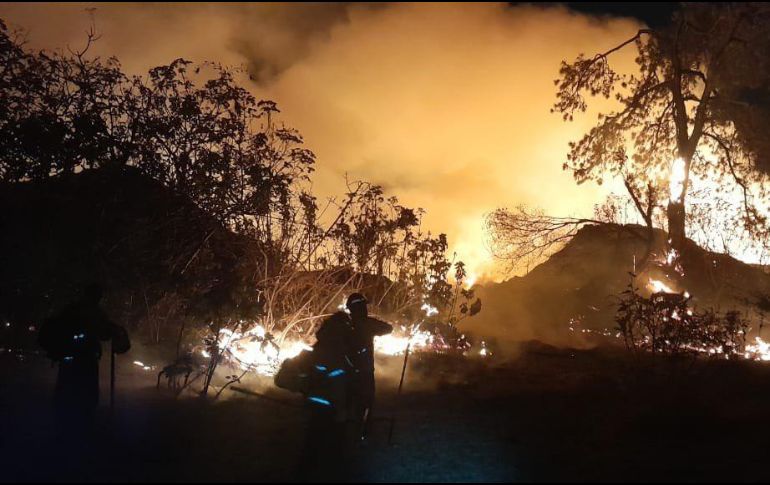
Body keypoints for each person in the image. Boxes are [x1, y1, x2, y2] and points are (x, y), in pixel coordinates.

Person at [38, 283, 130, 437]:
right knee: (85, 396)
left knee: (67, 394)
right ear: (95, 296)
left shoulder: (72, 309)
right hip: (85, 360)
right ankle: (79, 431)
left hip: (69, 360)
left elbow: (103, 332)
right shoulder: (93, 312)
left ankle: (63, 429)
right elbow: (104, 334)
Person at [299, 311, 354, 482]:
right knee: (332, 443)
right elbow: (337, 381)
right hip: (328, 405)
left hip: (314, 400)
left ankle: (305, 472)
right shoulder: (334, 350)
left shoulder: (320, 344)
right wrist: (341, 408)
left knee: (312, 440)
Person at [346, 292, 392, 440]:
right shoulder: (367, 324)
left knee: (350, 401)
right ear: (361, 308)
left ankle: (349, 431)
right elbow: (388, 328)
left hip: (347, 371)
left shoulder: (345, 324)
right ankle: (363, 432)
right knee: (366, 401)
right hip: (364, 371)